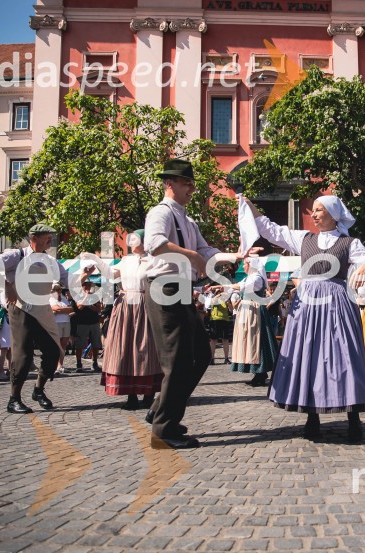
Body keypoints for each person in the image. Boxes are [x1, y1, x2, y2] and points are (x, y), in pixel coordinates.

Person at [242, 195, 365, 442]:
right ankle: (311, 416)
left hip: (338, 301)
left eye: (318, 210)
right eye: (313, 210)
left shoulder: (350, 242)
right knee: (308, 356)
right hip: (307, 303)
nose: (314, 215)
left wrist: (364, 267)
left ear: (333, 214)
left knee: (344, 355)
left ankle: (353, 417)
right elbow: (271, 230)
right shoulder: (305, 238)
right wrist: (249, 204)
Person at [143, 159, 249, 449]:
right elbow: (155, 244)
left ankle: (159, 408)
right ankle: (164, 430)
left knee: (202, 353)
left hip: (180, 288)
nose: (191, 187)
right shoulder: (160, 212)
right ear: (169, 184)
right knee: (177, 360)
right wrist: (191, 256)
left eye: (191, 183)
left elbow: (205, 250)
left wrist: (233, 256)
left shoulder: (187, 219)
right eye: (185, 182)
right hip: (164, 287)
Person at [0, 224, 95, 413]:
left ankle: (38, 390)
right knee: (23, 355)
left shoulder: (50, 261)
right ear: (34, 238)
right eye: (47, 237)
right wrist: (7, 286)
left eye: (51, 237)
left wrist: (85, 275)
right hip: (21, 309)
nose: (50, 240)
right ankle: (14, 399)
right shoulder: (17, 256)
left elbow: (69, 282)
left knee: (53, 352)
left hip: (42, 310)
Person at [102, 230, 162, 410]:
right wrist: (93, 265)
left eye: (135, 239)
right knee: (125, 348)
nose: (131, 242)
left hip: (146, 306)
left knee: (147, 349)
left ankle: (149, 394)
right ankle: (131, 395)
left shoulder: (153, 261)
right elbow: (111, 275)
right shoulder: (126, 261)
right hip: (124, 307)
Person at [225, 256, 278, 386]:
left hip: (255, 312)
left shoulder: (256, 278)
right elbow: (234, 289)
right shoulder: (249, 277)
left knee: (256, 341)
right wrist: (220, 289)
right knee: (250, 341)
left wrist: (223, 285)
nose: (243, 266)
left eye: (245, 264)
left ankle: (261, 372)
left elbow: (242, 286)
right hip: (247, 311)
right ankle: (258, 373)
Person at [72, 280, 102, 372]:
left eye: (89, 285)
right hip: (82, 323)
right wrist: (86, 296)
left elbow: (99, 308)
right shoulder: (77, 296)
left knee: (96, 344)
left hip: (94, 322)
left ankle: (95, 362)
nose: (88, 286)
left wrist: (89, 306)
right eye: (86, 285)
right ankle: (79, 363)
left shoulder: (95, 296)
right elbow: (79, 307)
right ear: (82, 286)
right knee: (80, 344)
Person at [49, 282, 74, 373]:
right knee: (57, 345)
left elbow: (71, 309)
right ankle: (54, 365)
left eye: (59, 289)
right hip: (56, 323)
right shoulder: (51, 299)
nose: (58, 291)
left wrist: (61, 310)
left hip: (66, 322)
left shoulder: (64, 299)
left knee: (63, 345)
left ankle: (60, 365)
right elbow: (56, 309)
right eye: (56, 289)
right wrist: (64, 310)